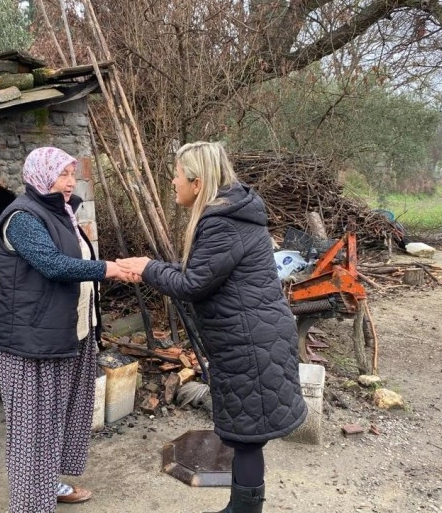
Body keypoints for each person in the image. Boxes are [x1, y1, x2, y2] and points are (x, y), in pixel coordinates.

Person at [118, 141, 307, 513]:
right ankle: (239, 507)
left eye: (177, 175)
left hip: (250, 344)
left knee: (247, 436)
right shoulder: (229, 216)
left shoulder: (222, 223)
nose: (172, 182)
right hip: (251, 339)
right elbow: (198, 273)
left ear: (198, 183)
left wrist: (147, 267)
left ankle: (244, 510)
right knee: (245, 434)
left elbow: (192, 285)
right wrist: (153, 266)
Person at [0, 146, 132, 512]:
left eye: (72, 174)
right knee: (33, 430)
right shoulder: (21, 217)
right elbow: (51, 265)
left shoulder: (63, 212)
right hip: (31, 342)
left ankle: (48, 485)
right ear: (39, 175)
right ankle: (29, 506)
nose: (69, 182)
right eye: (62, 175)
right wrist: (108, 269)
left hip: (69, 333)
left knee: (62, 418)